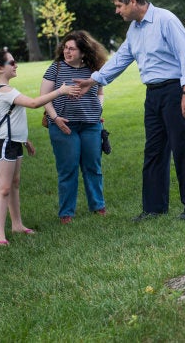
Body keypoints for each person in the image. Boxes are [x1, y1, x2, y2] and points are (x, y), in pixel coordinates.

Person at [75, 0, 185, 222]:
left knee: (183, 149)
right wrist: (93, 80)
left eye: (118, 5)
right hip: (153, 95)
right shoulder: (134, 30)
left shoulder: (166, 20)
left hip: (176, 91)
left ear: (132, 1)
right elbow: (121, 59)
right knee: (154, 151)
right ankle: (154, 208)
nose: (117, 11)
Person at [0, 50, 79, 246]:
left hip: (13, 141)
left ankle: (17, 225)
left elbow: (11, 119)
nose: (16, 65)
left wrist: (24, 139)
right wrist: (60, 91)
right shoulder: (4, 90)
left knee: (14, 183)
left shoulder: (5, 89)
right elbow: (33, 103)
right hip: (3, 143)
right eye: (12, 62)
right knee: (4, 188)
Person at [40, 30, 109, 225]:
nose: (66, 52)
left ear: (83, 52)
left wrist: (98, 109)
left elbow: (101, 92)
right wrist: (55, 118)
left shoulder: (94, 69)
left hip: (90, 125)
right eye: (65, 48)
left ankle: (98, 205)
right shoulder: (56, 68)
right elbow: (44, 97)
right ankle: (66, 212)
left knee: (93, 167)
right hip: (63, 126)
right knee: (68, 169)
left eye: (72, 49)